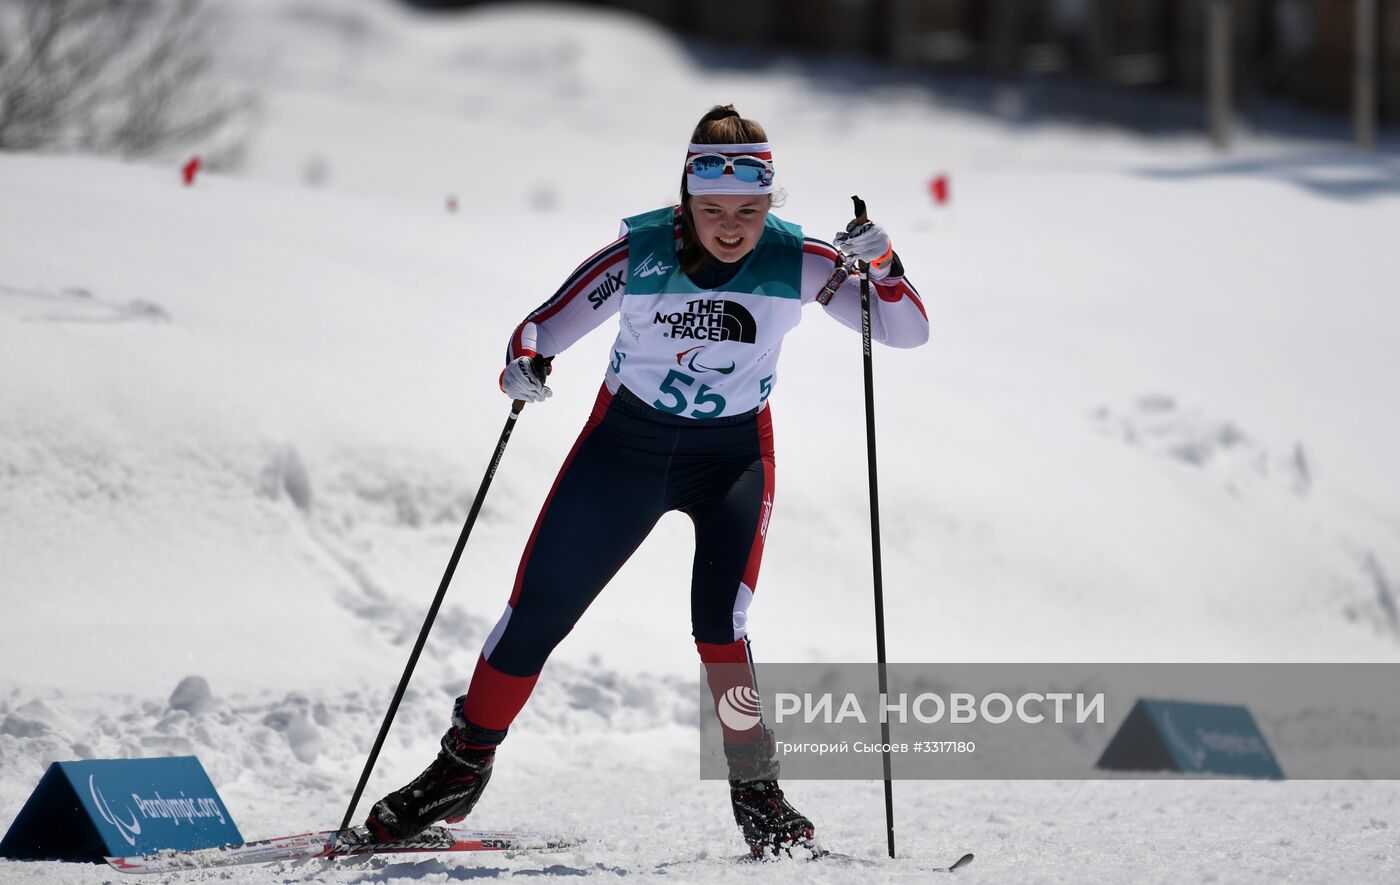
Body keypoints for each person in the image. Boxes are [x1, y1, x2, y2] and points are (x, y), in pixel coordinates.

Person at [365, 104, 929, 857]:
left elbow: (902, 330)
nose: (731, 226)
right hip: (624, 450)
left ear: (771, 204)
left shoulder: (801, 259)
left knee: (720, 628)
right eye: (713, 209)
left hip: (730, 459)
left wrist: (884, 266)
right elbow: (543, 325)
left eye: (750, 210)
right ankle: (462, 766)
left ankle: (758, 793)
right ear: (686, 200)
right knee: (536, 612)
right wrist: (525, 365)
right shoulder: (640, 252)